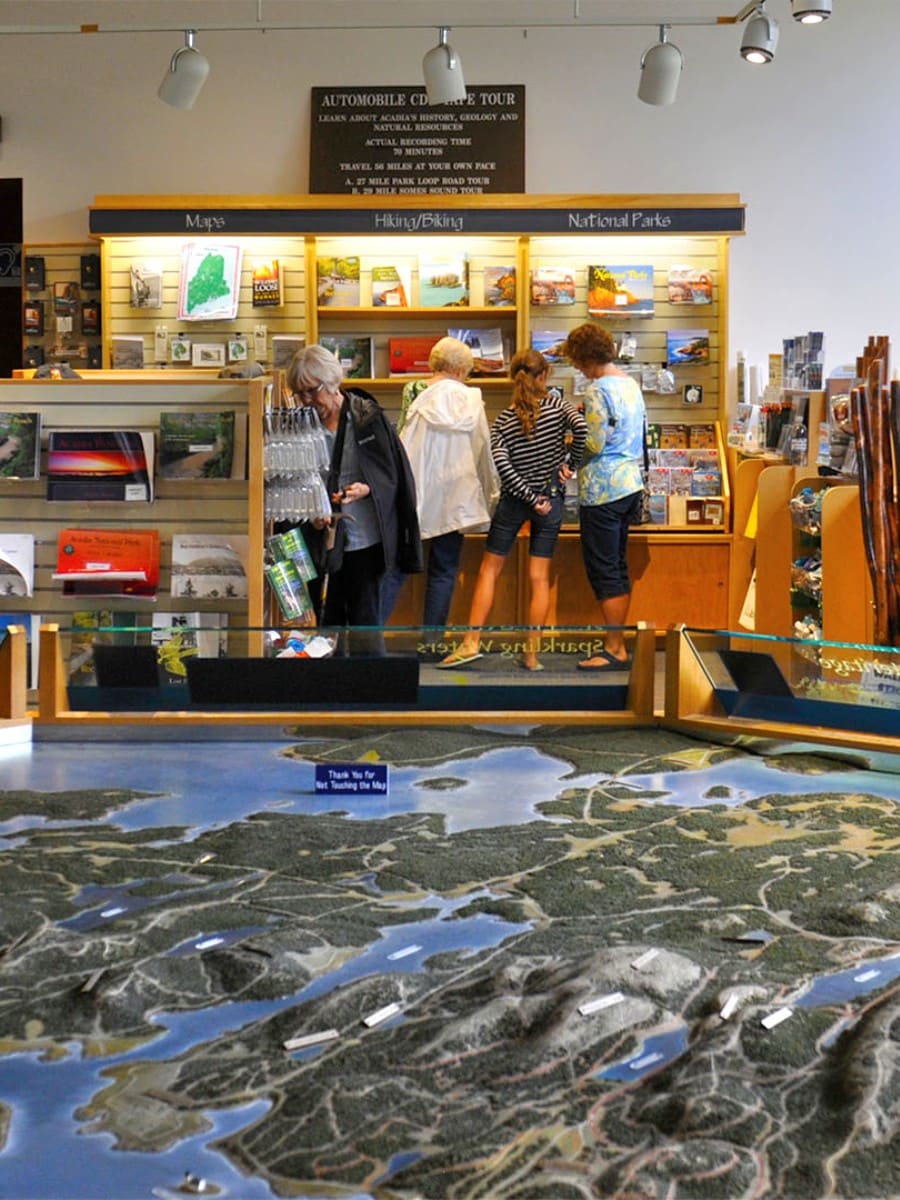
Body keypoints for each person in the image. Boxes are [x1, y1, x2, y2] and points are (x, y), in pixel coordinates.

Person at [438, 347, 586, 672]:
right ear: (544, 375)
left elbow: (502, 466)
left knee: (489, 570)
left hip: (514, 503)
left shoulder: (504, 420)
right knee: (539, 578)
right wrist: (569, 466)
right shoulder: (559, 407)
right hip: (552, 500)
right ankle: (531, 655)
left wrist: (529, 498)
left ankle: (471, 642)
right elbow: (582, 429)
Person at [285, 344, 422, 635]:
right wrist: (311, 510)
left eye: (312, 391)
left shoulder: (366, 417)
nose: (307, 400)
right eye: (300, 393)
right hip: (319, 538)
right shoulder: (300, 425)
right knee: (327, 621)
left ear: (332, 382)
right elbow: (293, 481)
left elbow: (392, 474)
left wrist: (367, 488)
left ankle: (367, 666)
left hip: (364, 537)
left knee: (365, 620)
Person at [380, 336, 499, 632]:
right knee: (444, 570)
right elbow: (483, 449)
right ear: (460, 369)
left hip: (418, 493)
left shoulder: (419, 396)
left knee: (397, 567)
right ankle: (431, 642)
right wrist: (490, 495)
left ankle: (368, 639)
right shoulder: (472, 400)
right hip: (458, 495)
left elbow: (403, 447)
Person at [562, 323, 647, 671]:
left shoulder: (597, 390)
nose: (576, 367)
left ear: (584, 357)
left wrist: (568, 448)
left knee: (604, 570)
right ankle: (617, 644)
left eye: (576, 360)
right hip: (629, 484)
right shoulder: (630, 384)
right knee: (618, 566)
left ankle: (614, 648)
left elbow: (594, 444)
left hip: (602, 489)